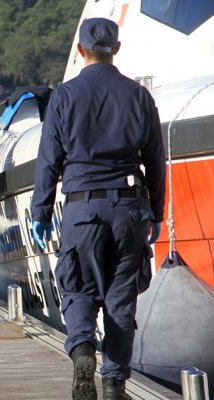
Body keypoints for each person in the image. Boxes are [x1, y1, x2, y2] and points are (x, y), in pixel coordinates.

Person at [30, 18, 165, 400]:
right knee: (121, 300)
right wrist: (155, 210)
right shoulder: (139, 96)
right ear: (116, 50)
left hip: (81, 210)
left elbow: (49, 160)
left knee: (78, 289)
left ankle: (83, 348)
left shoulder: (64, 96)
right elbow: (156, 160)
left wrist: (40, 213)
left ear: (79, 50)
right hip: (129, 210)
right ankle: (114, 384)